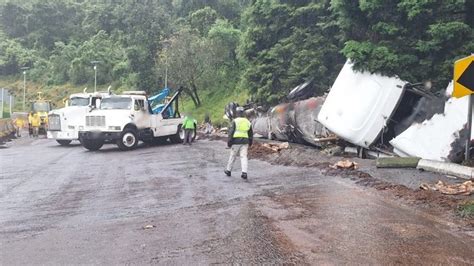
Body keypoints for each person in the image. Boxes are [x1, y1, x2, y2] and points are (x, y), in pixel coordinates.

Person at [225, 107, 253, 180]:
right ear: (243, 113)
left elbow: (231, 132)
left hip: (236, 141)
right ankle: (244, 172)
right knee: (244, 157)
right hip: (245, 141)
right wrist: (250, 142)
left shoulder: (235, 121)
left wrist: (229, 142)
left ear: (237, 113)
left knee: (232, 156)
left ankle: (228, 170)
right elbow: (250, 133)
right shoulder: (247, 121)